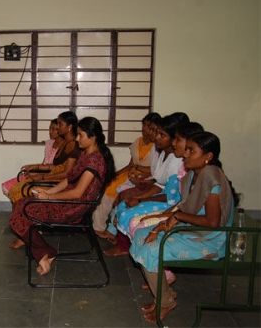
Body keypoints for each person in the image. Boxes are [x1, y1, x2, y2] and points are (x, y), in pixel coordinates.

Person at [129, 131, 236, 323]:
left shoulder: (212, 179)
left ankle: (166, 302)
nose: (185, 154)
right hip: (192, 228)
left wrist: (176, 217)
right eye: (186, 149)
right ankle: (164, 294)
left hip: (210, 238)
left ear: (208, 157)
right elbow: (184, 207)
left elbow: (213, 223)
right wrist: (165, 221)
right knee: (142, 235)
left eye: (191, 150)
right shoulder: (194, 175)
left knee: (152, 249)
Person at [8, 117, 115, 275]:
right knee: (20, 205)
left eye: (81, 135)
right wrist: (47, 192)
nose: (77, 138)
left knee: (20, 212)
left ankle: (45, 253)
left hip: (73, 208)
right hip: (67, 201)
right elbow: (68, 180)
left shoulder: (95, 161)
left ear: (93, 137)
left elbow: (78, 193)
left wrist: (48, 198)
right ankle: (44, 252)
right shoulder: (87, 155)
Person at [104, 113, 187, 256]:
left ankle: (130, 246)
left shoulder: (177, 160)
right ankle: (124, 243)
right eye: (157, 133)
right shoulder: (162, 152)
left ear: (174, 139)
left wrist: (141, 198)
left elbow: (170, 196)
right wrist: (143, 190)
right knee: (124, 198)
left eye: (161, 134)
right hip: (160, 191)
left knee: (127, 210)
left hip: (169, 201)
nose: (156, 137)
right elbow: (159, 180)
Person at [93, 112, 161, 242]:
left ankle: (107, 227)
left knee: (118, 192)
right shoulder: (138, 142)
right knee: (107, 186)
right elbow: (131, 164)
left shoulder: (158, 146)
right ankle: (98, 226)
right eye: (145, 125)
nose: (146, 129)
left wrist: (138, 170)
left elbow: (155, 171)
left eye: (150, 127)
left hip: (146, 177)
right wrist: (114, 174)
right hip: (130, 174)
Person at [7, 111, 81, 204]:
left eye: (60, 124)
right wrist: (35, 167)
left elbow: (67, 174)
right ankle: (21, 214)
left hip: (60, 183)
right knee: (17, 187)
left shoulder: (73, 145)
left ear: (69, 127)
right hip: (54, 178)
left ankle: (23, 214)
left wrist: (42, 177)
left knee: (22, 188)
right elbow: (55, 166)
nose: (58, 127)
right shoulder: (65, 142)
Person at [1, 119, 63, 197]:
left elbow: (57, 168)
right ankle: (18, 203)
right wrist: (32, 167)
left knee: (13, 187)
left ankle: (20, 201)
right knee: (6, 187)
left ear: (61, 130)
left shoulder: (63, 146)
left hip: (50, 175)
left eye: (55, 129)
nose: (50, 131)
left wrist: (37, 172)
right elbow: (44, 163)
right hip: (42, 171)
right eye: (50, 128)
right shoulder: (49, 143)